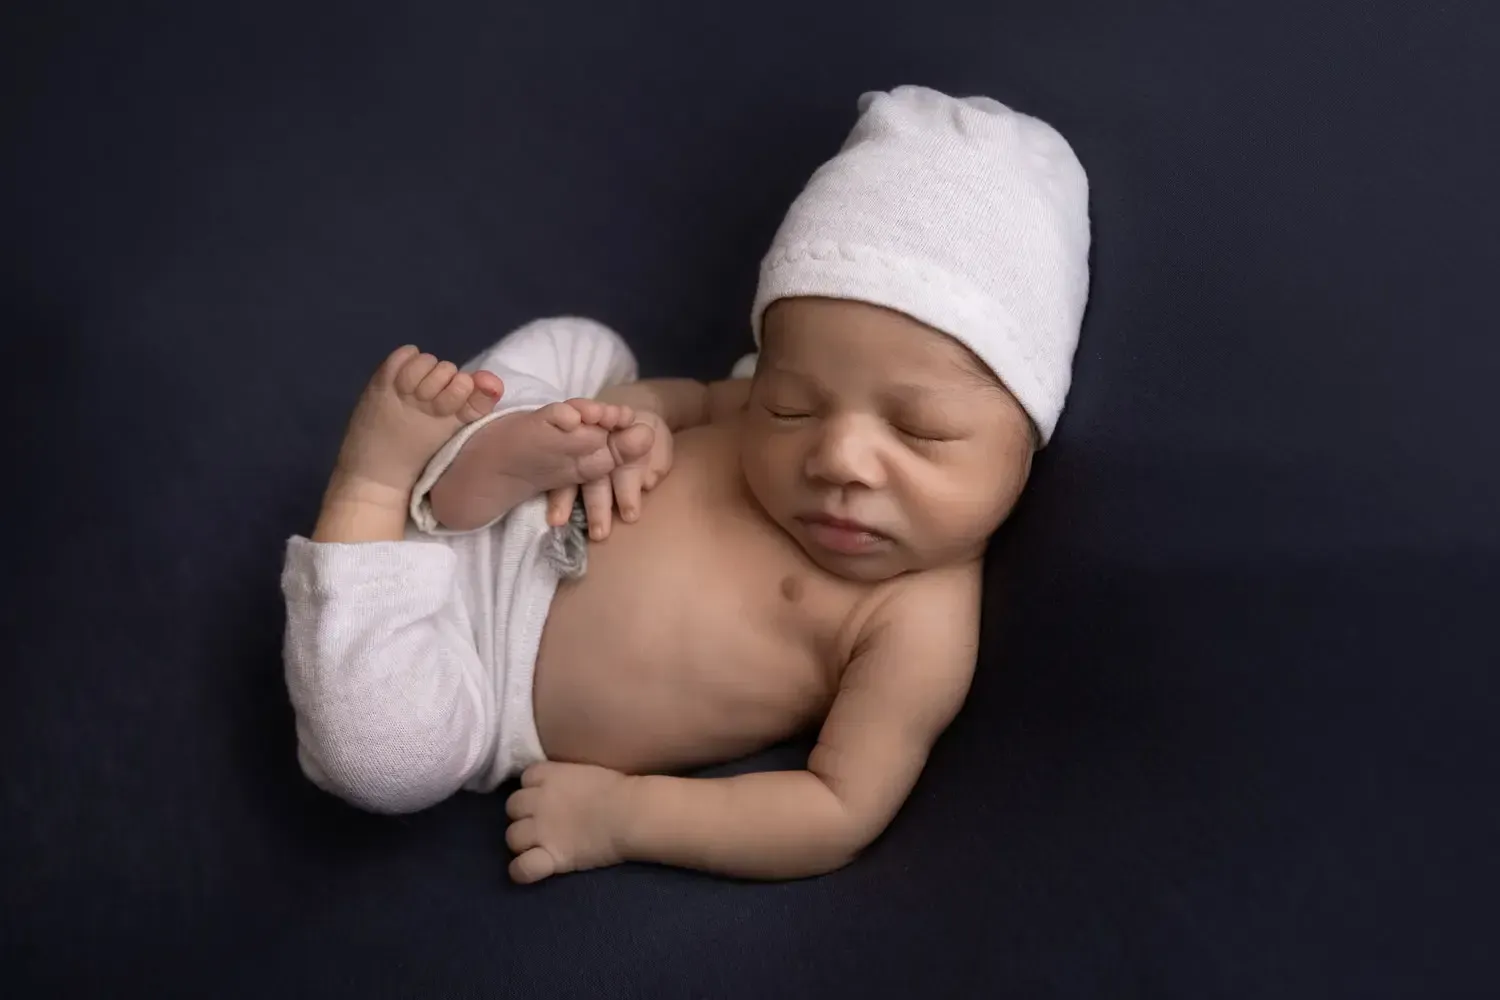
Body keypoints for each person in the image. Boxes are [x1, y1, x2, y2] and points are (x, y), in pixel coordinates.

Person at [281, 85, 1091, 883]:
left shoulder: (916, 624)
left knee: (385, 764)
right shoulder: (754, 403)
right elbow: (697, 398)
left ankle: (373, 491)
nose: (838, 456)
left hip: (479, 678)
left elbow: (835, 810)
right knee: (585, 347)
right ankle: (473, 466)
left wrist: (622, 819)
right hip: (529, 492)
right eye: (790, 406)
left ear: (1028, 435)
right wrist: (628, 425)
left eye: (918, 431)